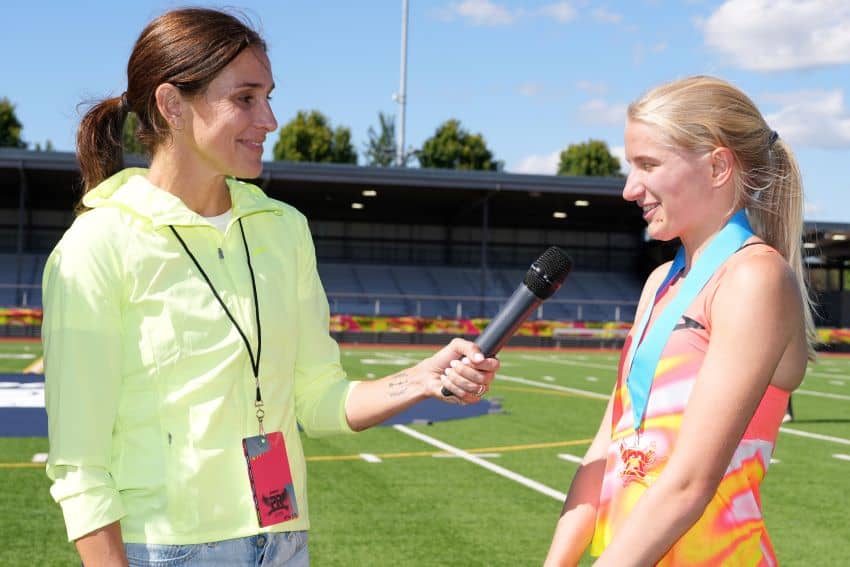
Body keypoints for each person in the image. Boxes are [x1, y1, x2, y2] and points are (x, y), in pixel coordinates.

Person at [42, 8, 498, 566]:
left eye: (269, 97)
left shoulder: (285, 230)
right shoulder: (98, 245)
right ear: (171, 105)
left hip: (283, 542)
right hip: (165, 551)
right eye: (246, 98)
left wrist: (420, 380)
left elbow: (318, 398)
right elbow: (79, 464)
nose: (271, 120)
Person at [544, 75, 816, 566]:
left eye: (648, 164)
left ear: (716, 166)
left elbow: (690, 483)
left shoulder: (753, 278)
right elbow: (605, 450)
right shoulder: (658, 284)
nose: (630, 189)